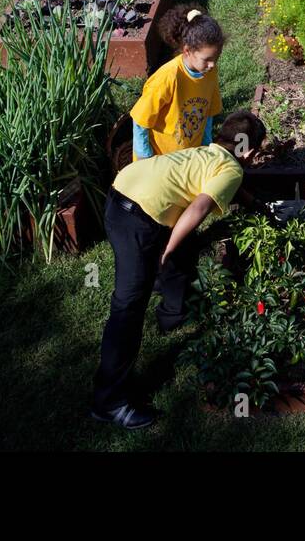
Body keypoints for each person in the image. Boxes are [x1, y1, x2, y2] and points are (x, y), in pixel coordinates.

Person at [90, 111, 266, 429]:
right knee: (128, 306)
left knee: (179, 254)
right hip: (138, 218)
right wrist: (166, 249)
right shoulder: (231, 171)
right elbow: (198, 208)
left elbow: (222, 183)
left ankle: (172, 313)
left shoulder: (208, 153)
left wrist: (255, 204)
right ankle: (110, 402)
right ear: (250, 152)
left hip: (121, 193)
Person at [130, 6, 224, 160]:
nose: (212, 64)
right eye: (207, 59)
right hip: (160, 159)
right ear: (187, 50)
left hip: (189, 157)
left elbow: (208, 113)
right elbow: (140, 120)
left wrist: (206, 145)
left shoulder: (210, 72)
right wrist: (145, 158)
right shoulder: (167, 77)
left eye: (216, 58)